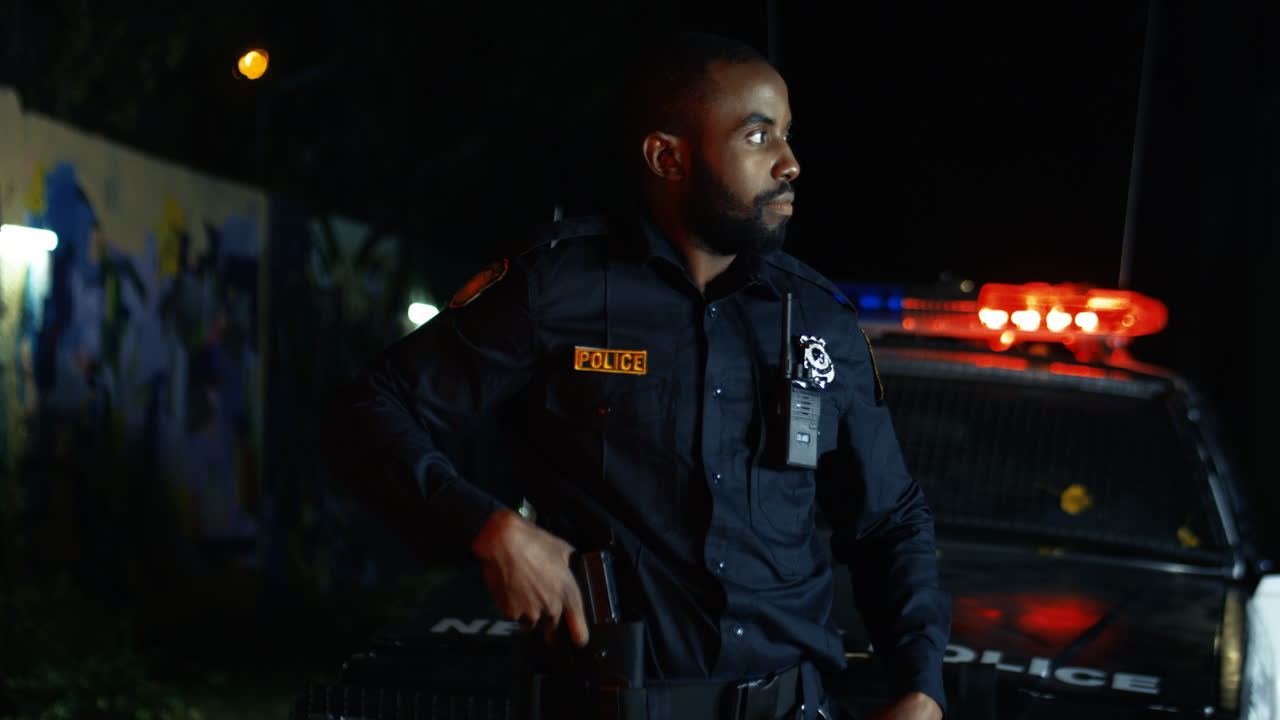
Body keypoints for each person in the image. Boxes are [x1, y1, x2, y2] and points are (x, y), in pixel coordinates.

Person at [331, 32, 949, 720]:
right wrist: (492, 529)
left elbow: (890, 520)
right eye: (758, 136)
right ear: (669, 157)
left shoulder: (818, 319)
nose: (791, 164)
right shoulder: (557, 288)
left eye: (789, 136)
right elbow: (370, 409)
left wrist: (921, 686)